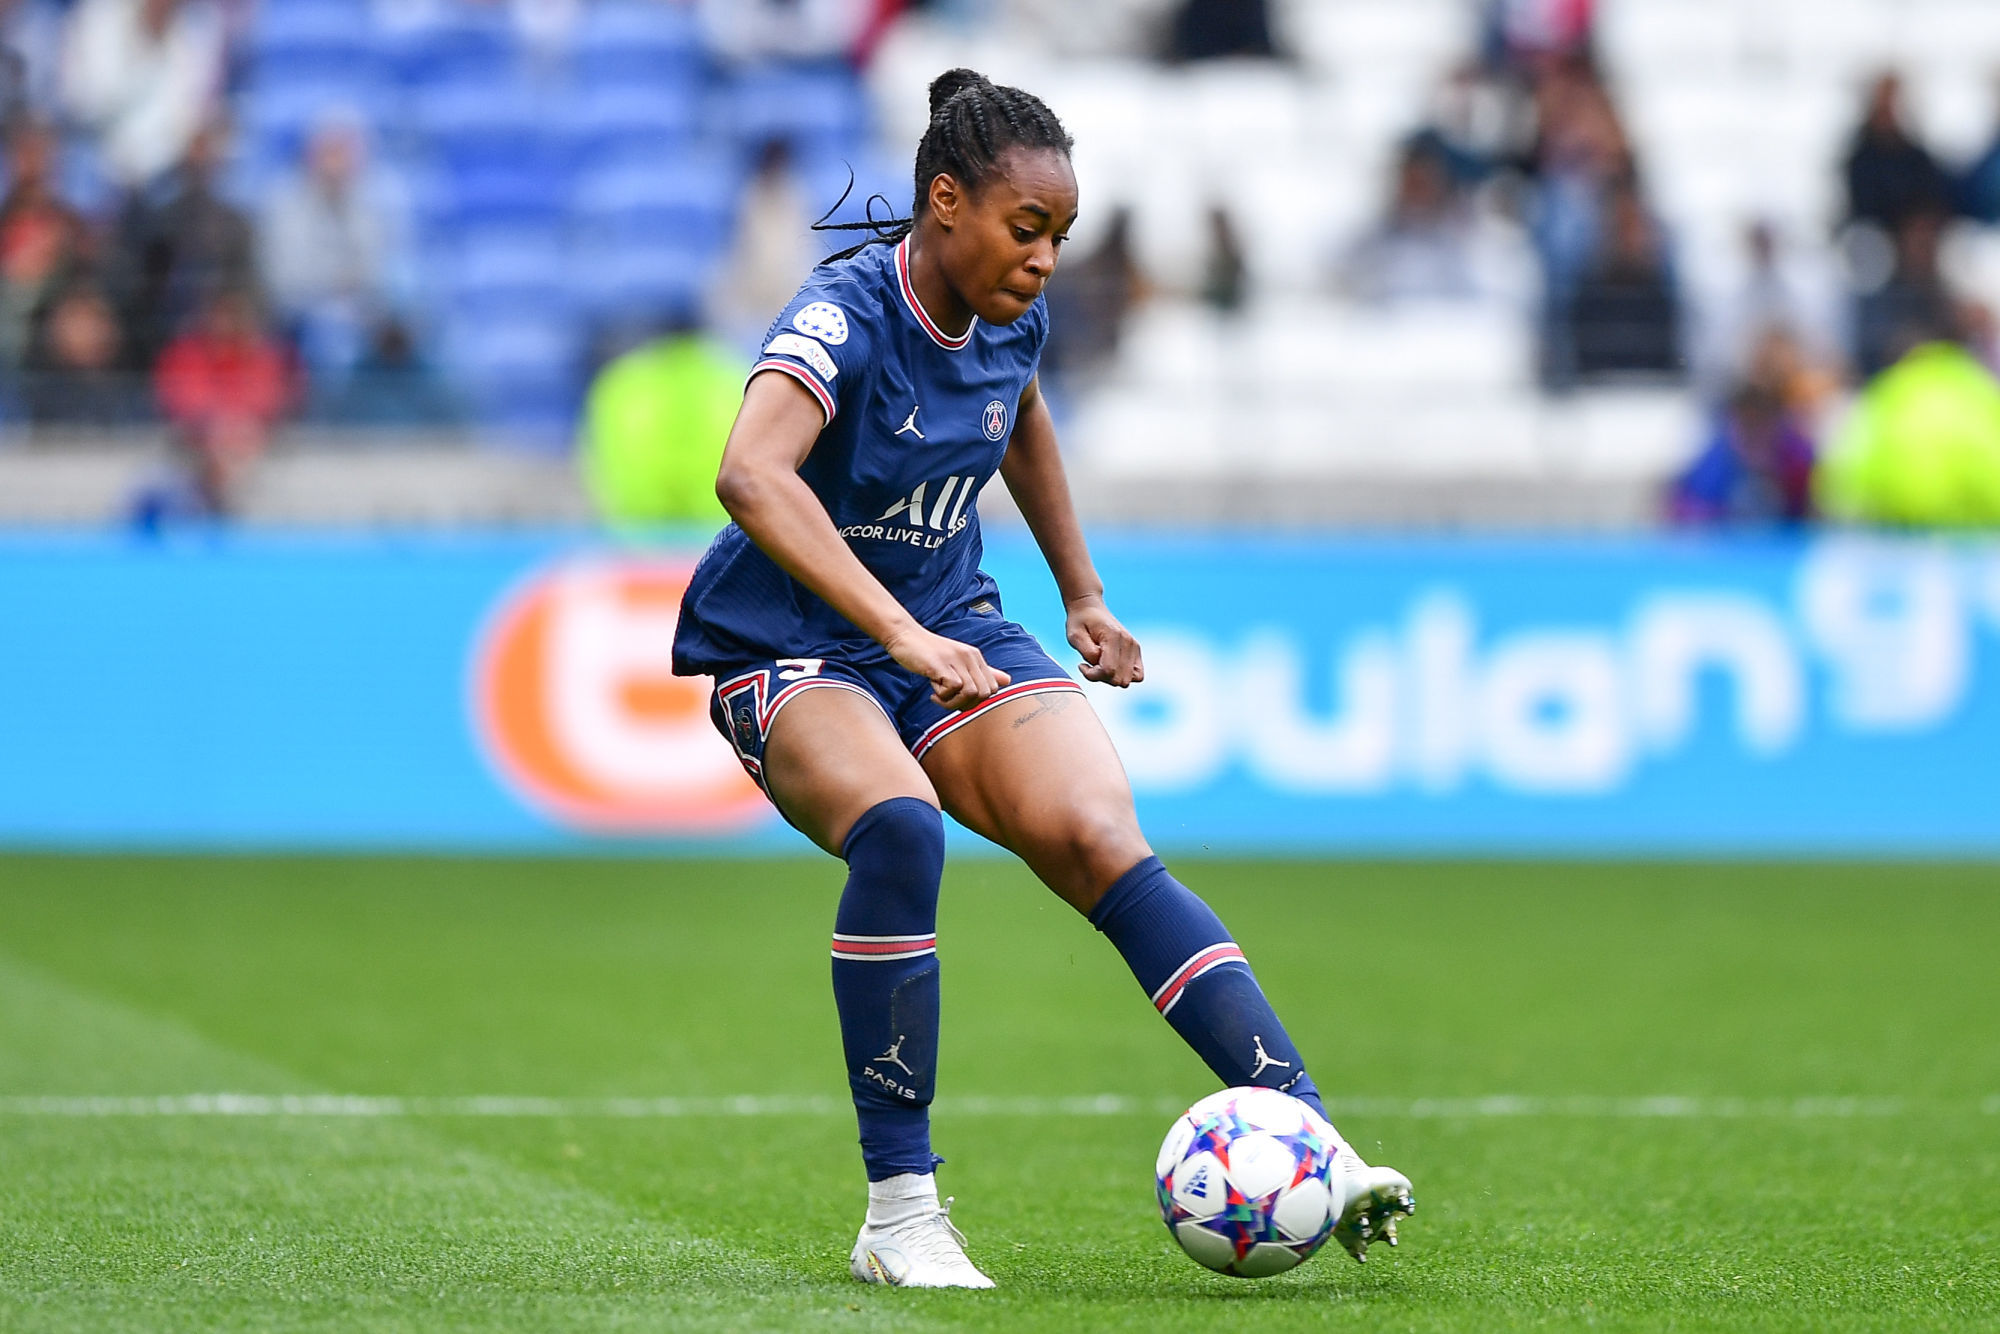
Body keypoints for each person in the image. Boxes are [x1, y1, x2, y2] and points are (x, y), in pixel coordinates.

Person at [669, 68, 1415, 1290]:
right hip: (790, 642)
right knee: (899, 826)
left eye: (1060, 235)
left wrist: (1082, 594)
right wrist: (896, 634)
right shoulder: (840, 317)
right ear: (945, 202)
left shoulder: (1008, 314)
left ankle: (1316, 1145)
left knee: (1097, 833)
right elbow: (750, 474)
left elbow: (1020, 418)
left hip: (944, 622)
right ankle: (898, 1213)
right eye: (1027, 229)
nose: (1045, 259)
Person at [579, 307, 742, 528]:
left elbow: (596, 454)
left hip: (638, 530)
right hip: (720, 527)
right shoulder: (737, 378)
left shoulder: (620, 382)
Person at [59, 0, 226, 189]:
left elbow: (190, 115)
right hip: (95, 155)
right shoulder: (100, 14)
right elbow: (84, 104)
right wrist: (145, 44)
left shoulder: (199, 27)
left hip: (162, 171)